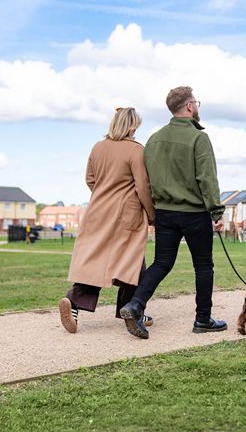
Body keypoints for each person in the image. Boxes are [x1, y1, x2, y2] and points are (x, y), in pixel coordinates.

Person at [120, 86, 226, 339]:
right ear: (189, 106)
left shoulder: (154, 139)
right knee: (203, 267)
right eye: (196, 103)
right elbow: (207, 178)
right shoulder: (199, 138)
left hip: (165, 213)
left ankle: (135, 305)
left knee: (162, 262)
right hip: (194, 213)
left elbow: (148, 180)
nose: (197, 107)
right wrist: (217, 212)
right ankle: (203, 320)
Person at [58, 107, 155, 334]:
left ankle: (73, 303)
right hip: (125, 214)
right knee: (132, 263)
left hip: (97, 210)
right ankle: (132, 308)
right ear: (133, 125)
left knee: (96, 261)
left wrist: (104, 193)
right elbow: (143, 186)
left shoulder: (98, 147)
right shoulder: (135, 150)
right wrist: (152, 214)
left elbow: (90, 179)